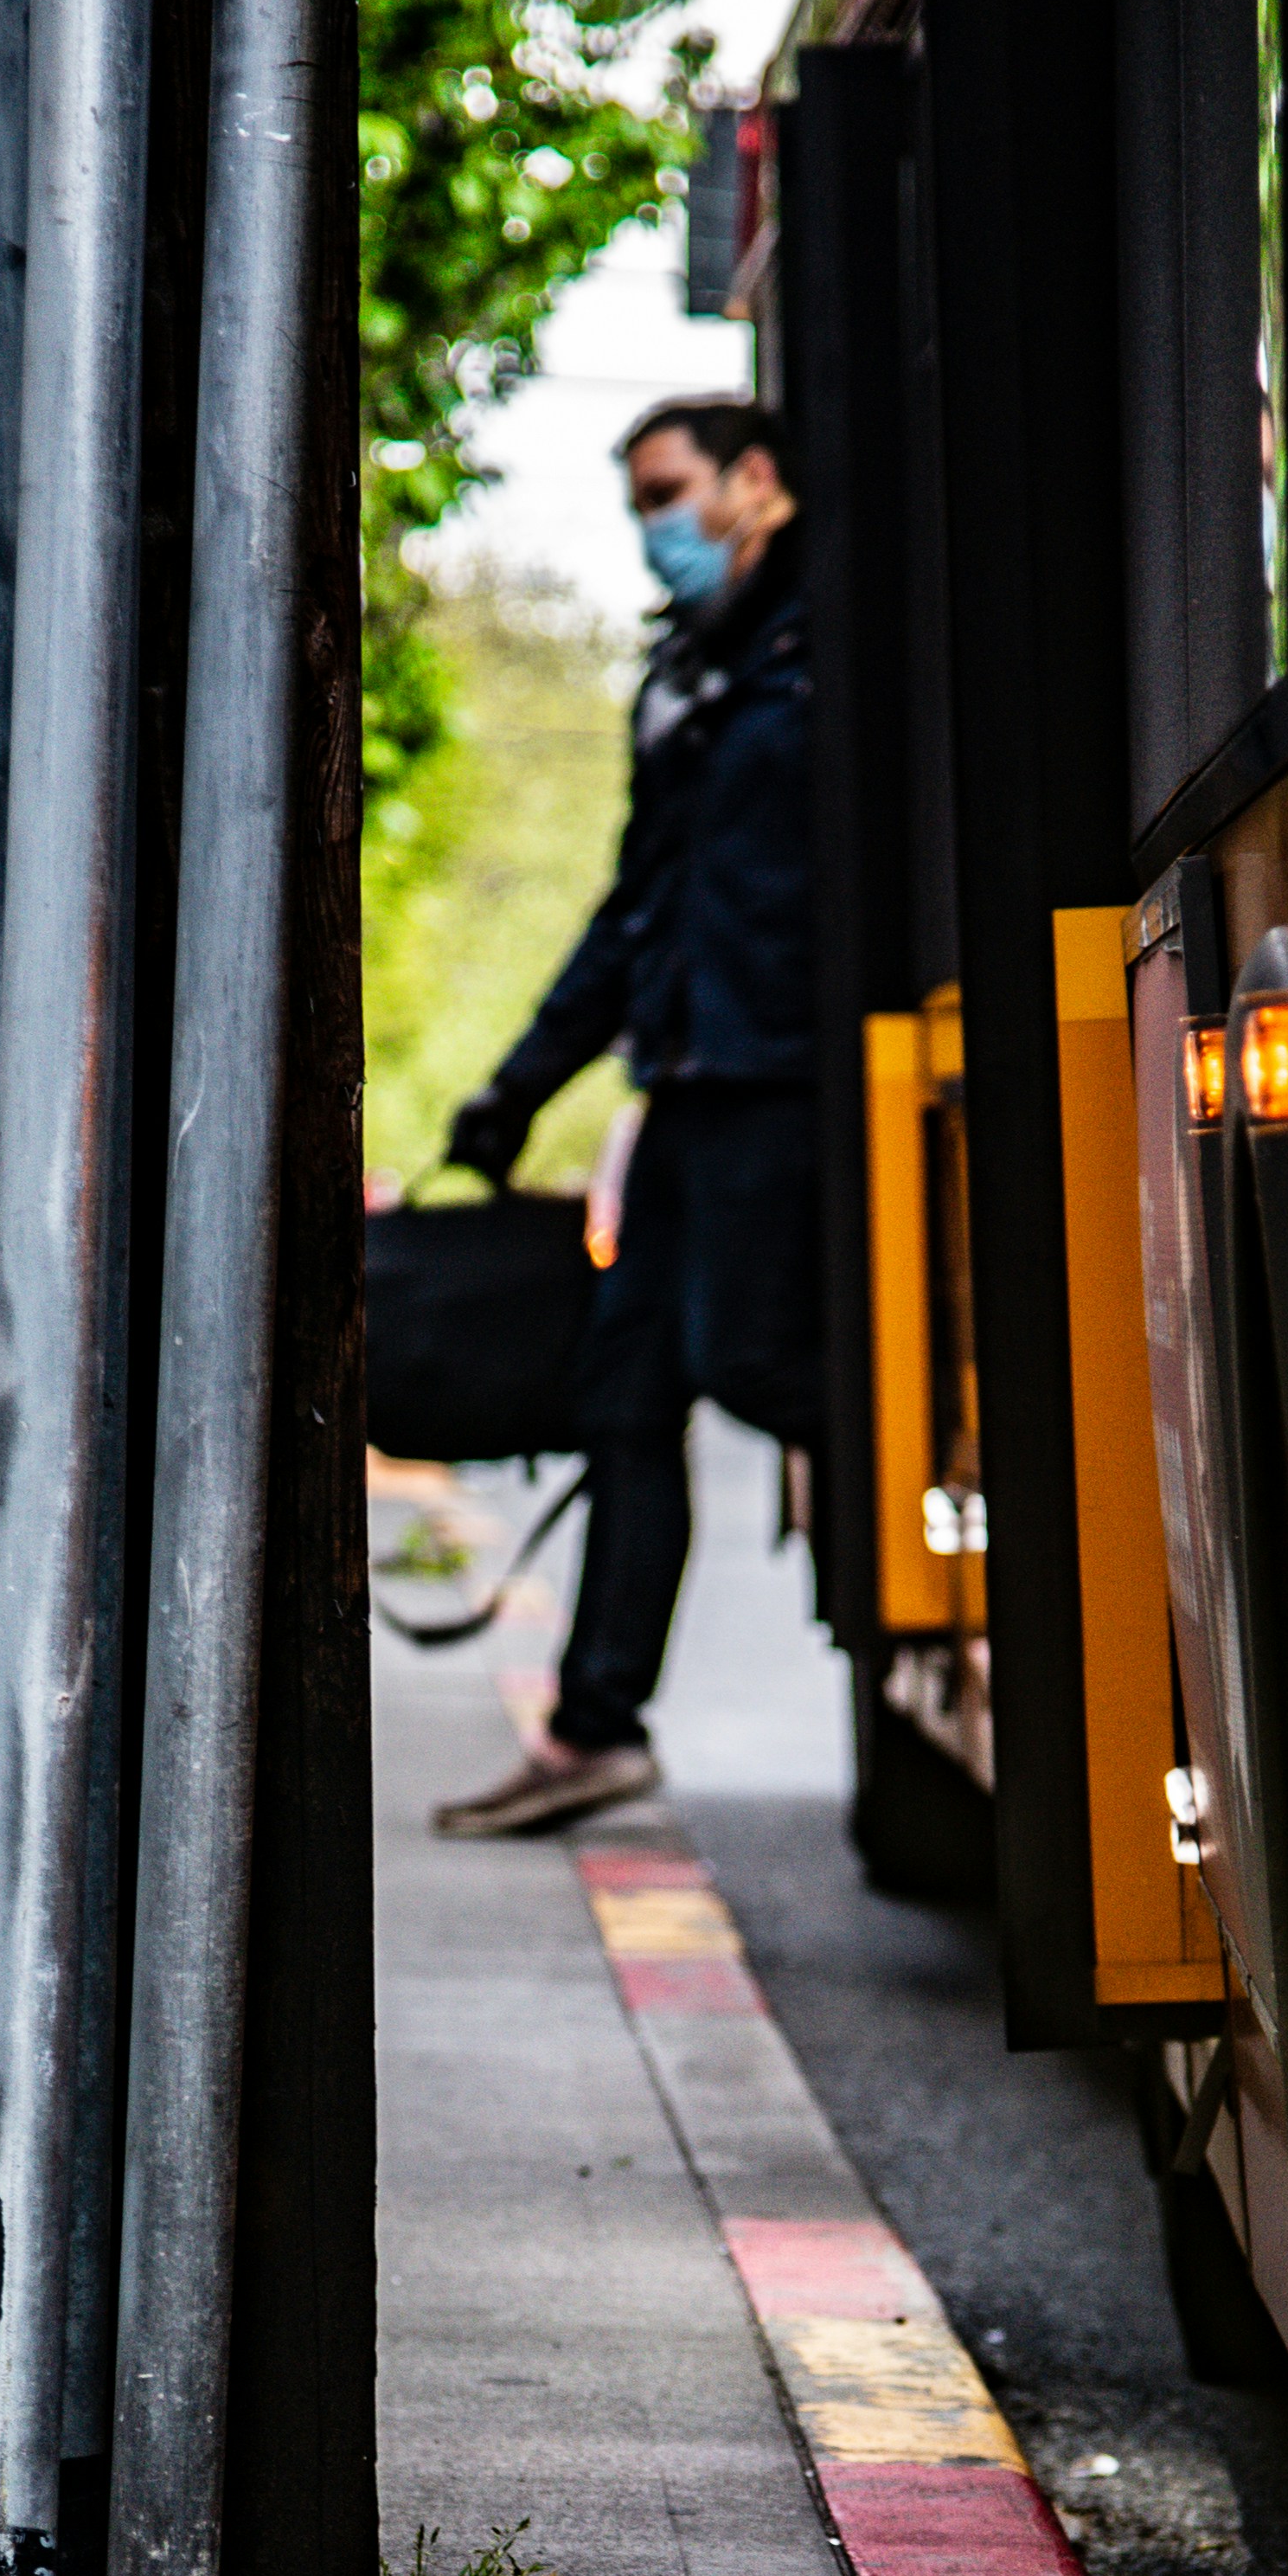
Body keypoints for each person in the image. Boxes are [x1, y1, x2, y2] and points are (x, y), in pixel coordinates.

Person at [428, 396, 819, 1834]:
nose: (653, 530)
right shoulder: (685, 680)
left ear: (754, 483)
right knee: (624, 1391)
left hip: (791, 1082)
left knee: (759, 1365)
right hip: (688, 1081)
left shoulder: (826, 651)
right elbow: (633, 912)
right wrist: (515, 1090)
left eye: (667, 493)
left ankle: (1002, 1567)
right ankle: (594, 1730)